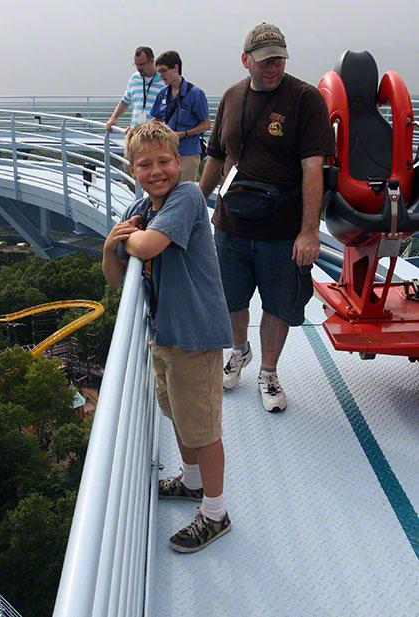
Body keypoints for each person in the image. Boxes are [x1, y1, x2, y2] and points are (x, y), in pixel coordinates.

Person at [102, 120, 233, 553]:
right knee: (178, 414)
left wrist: (129, 239)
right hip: (165, 334)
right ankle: (193, 483)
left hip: (195, 334)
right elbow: (117, 278)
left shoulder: (187, 196)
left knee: (202, 428)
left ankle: (215, 513)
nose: (156, 170)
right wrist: (109, 248)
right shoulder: (140, 208)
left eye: (164, 161)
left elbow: (147, 247)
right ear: (132, 168)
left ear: (180, 162)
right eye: (145, 164)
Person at [199, 23, 335, 413]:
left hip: (282, 228)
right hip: (232, 223)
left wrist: (309, 232)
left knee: (278, 306)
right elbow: (217, 157)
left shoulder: (305, 100)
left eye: (279, 58)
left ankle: (269, 372)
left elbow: (314, 170)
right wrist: (197, 200)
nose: (273, 67)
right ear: (246, 61)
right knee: (230, 299)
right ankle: (239, 351)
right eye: (264, 60)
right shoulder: (231, 97)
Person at [150, 51, 211, 182]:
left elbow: (206, 124)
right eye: (159, 72)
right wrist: (139, 129)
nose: (161, 76)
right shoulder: (163, 94)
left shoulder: (195, 93)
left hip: (188, 152)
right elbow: (157, 118)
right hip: (167, 152)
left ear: (176, 68)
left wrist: (185, 133)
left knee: (183, 194)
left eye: (163, 71)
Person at [106, 46, 164, 132]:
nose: (138, 68)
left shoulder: (163, 81)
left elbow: (166, 112)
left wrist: (145, 128)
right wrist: (113, 117)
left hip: (155, 136)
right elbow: (125, 101)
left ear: (152, 61)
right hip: (136, 135)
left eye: (141, 64)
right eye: (136, 64)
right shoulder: (134, 78)